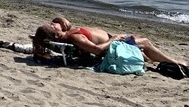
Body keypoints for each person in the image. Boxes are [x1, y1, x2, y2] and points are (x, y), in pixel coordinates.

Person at [33, 16, 187, 66]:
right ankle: (176, 63)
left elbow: (64, 22)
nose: (53, 22)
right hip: (113, 46)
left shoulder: (67, 32)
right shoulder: (75, 37)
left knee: (145, 56)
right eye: (52, 25)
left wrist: (59, 20)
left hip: (112, 39)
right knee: (145, 42)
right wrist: (114, 39)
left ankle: (156, 59)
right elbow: (98, 50)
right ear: (56, 34)